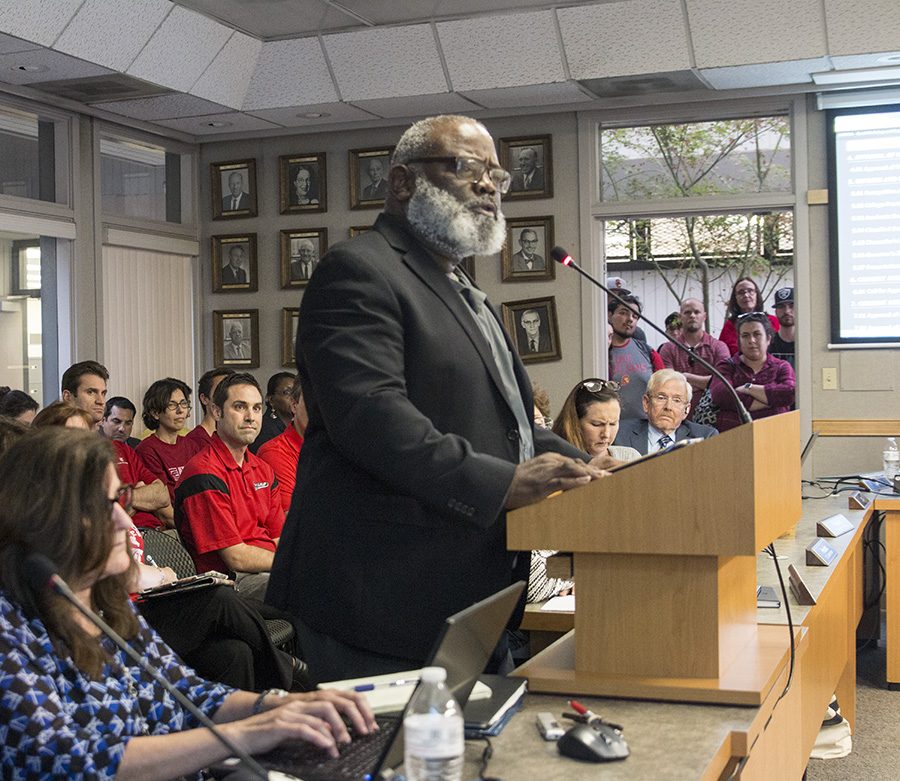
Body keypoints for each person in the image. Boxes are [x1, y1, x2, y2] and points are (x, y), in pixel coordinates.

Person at [266, 114, 601, 683]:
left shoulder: (464, 288)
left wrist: (582, 465)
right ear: (402, 183)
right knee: (390, 765)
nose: (490, 184)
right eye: (468, 167)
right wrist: (504, 484)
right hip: (380, 593)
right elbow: (370, 418)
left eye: (497, 173)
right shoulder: (358, 271)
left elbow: (512, 425)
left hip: (466, 589)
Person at [0, 427, 376, 779]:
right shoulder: (10, 631)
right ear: (45, 520)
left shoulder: (109, 605)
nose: (122, 520)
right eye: (102, 505)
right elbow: (67, 761)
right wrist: (247, 734)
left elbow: (190, 692)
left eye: (120, 499)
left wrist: (274, 707)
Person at [176, 373, 284, 601]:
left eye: (256, 408)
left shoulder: (262, 468)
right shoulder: (203, 473)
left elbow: (277, 537)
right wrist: (292, 563)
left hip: (269, 569)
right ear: (216, 412)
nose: (250, 417)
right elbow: (235, 557)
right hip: (230, 583)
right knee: (314, 588)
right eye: (240, 407)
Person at [709, 312, 796, 432]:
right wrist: (772, 401)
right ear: (739, 340)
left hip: (776, 436)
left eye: (757, 334)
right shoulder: (726, 366)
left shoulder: (782, 367)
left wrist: (748, 388)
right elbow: (721, 395)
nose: (752, 340)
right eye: (745, 335)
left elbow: (790, 393)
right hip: (733, 438)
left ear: (768, 339)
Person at [613, 369, 718, 455]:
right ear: (646, 403)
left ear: (686, 410)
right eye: (661, 398)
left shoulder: (705, 437)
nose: (668, 407)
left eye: (677, 400)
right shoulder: (620, 434)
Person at [135, 378, 206, 501]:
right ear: (155, 413)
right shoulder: (146, 450)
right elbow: (162, 500)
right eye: (172, 405)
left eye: (183, 403)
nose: (180, 411)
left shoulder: (192, 445)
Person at [659, 298, 730, 420]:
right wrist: (706, 383)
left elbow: (723, 382)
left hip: (713, 419)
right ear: (680, 317)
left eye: (697, 312)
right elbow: (669, 385)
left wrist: (685, 377)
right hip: (677, 420)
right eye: (687, 312)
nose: (692, 315)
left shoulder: (719, 347)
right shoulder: (668, 349)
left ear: (704, 316)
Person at [553, 379, 641, 469]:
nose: (606, 434)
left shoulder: (630, 457)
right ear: (575, 422)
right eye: (597, 424)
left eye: (613, 424)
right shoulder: (556, 464)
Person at [607, 293, 664, 420]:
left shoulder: (649, 352)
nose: (630, 319)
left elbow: (664, 389)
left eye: (635, 316)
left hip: (645, 427)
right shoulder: (599, 353)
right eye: (623, 313)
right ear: (609, 316)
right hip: (611, 429)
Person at [258, 376, 308, 513]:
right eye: (312, 401)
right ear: (294, 405)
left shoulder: (339, 448)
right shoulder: (275, 452)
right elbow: (291, 518)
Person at [717, 277, 780, 356]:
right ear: (735, 298)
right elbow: (723, 355)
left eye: (750, 291)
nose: (746, 295)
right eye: (741, 292)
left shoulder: (772, 321)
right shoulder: (729, 326)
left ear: (757, 294)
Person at [185, 367, 235, 447]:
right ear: (204, 399)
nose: (228, 396)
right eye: (220, 390)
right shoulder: (193, 442)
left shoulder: (237, 440)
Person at [249, 371, 295, 454]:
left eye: (296, 393)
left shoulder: (298, 426)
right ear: (271, 400)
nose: (294, 397)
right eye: (287, 392)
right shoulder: (263, 432)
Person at [60, 360, 109, 426]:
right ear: (68, 397)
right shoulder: (52, 435)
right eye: (90, 392)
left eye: (103, 393)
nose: (100, 401)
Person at [769, 286, 795, 370]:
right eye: (781, 306)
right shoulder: (768, 344)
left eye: (791, 306)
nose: (787, 311)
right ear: (776, 312)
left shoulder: (808, 343)